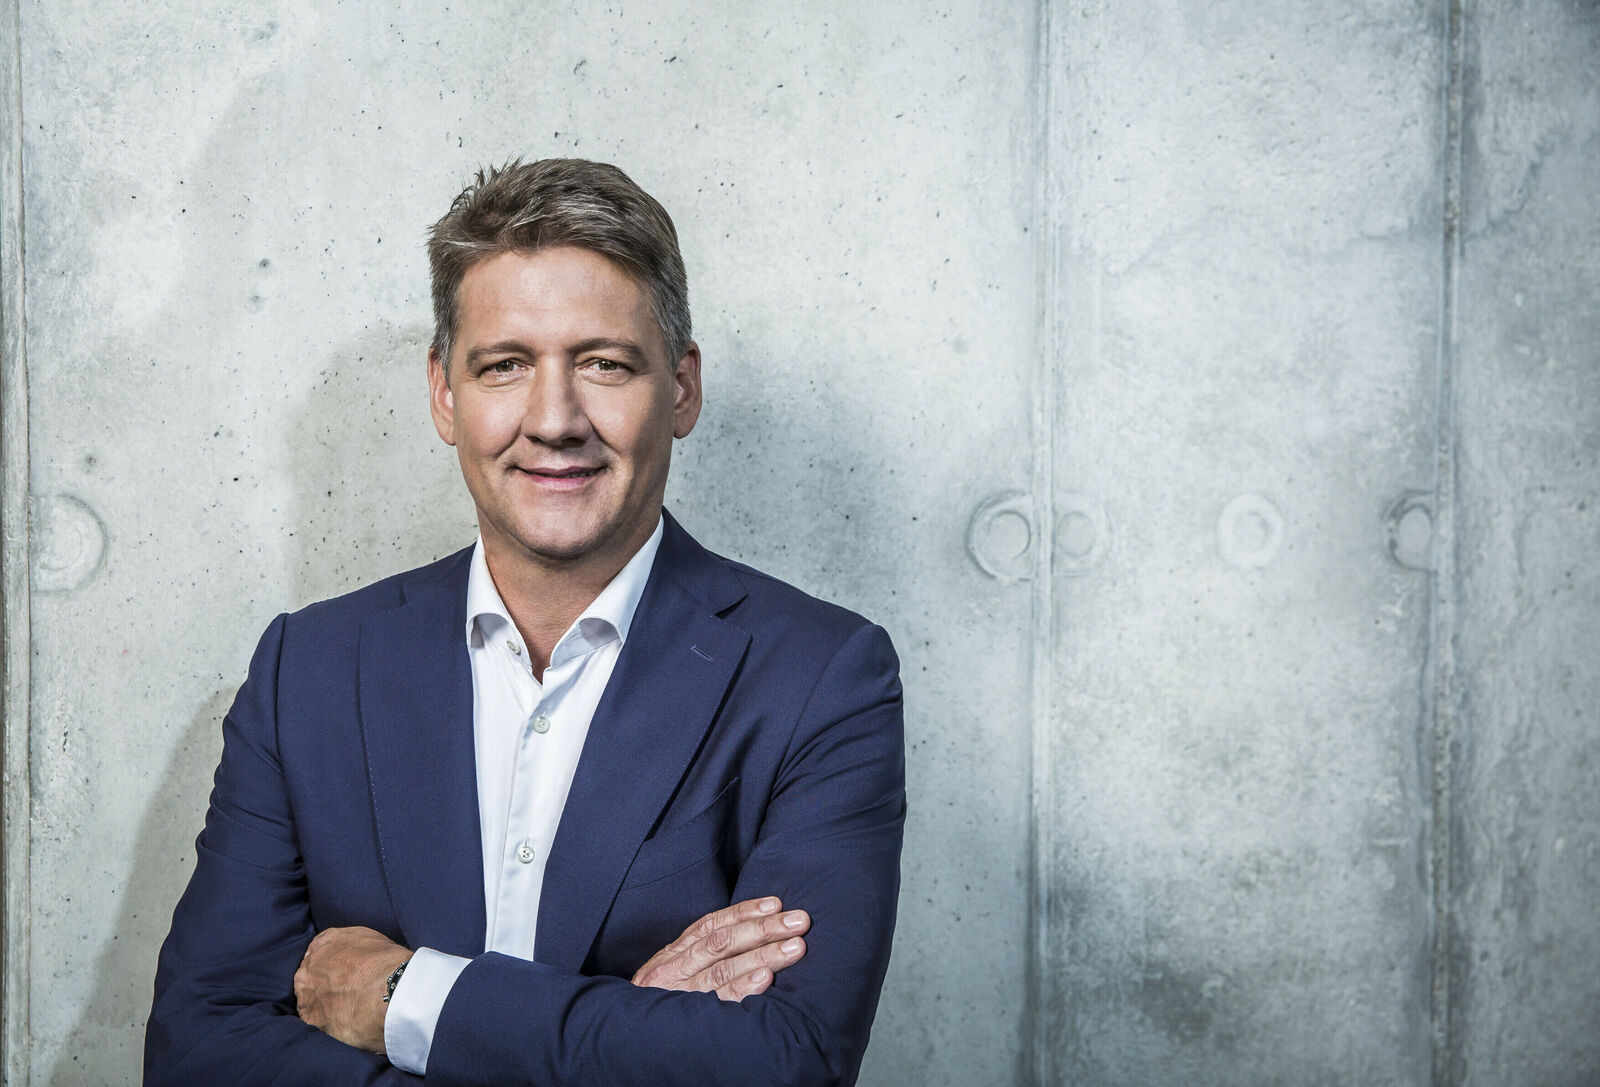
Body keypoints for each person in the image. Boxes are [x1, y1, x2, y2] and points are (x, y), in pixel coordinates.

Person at [143, 158, 906, 1086]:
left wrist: (403, 996)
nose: (553, 419)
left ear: (681, 389)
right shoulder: (308, 670)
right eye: (505, 366)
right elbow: (199, 1052)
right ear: (443, 395)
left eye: (604, 364)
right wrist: (630, 1027)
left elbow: (784, 1063)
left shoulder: (822, 677)